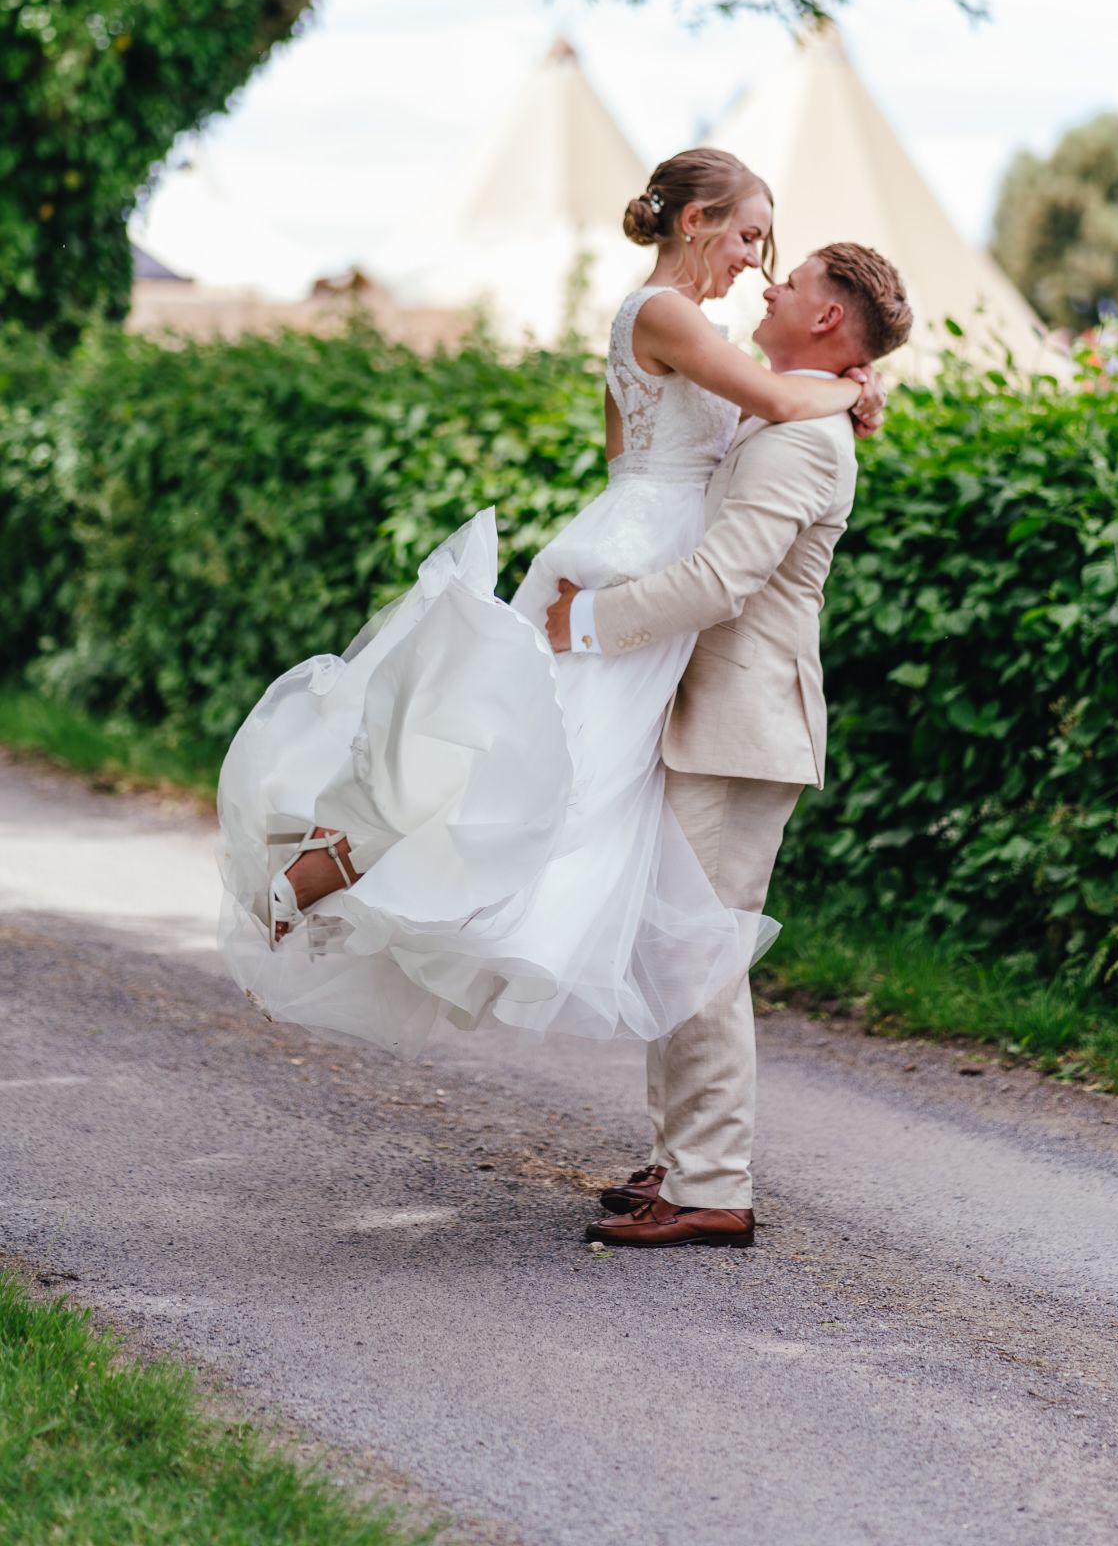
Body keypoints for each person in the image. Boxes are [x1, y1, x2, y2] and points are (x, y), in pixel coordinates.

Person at [216, 149, 889, 1060]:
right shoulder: (664, 312)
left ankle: (358, 863)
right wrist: (853, 383)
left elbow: (669, 438)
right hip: (644, 553)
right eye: (748, 235)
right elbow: (768, 400)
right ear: (694, 223)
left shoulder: (671, 323)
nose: (757, 263)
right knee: (547, 770)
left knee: (558, 776)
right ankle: (344, 864)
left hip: (644, 535)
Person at [546, 240, 913, 1249]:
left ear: (830, 319)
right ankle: (680, 1157)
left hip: (743, 723)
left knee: (699, 946)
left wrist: (584, 623)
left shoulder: (800, 437)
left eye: (790, 282)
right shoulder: (790, 406)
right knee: (675, 935)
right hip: (711, 715)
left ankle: (714, 1182)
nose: (767, 282)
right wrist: (846, 389)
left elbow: (719, 582)